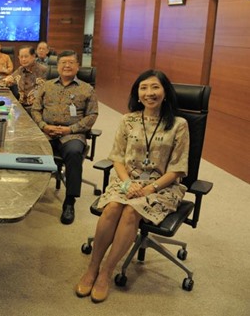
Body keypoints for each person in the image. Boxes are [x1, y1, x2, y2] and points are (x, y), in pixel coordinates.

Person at [75, 69, 189, 303]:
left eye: (155, 87)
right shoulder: (128, 120)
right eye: (143, 88)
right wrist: (127, 183)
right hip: (127, 180)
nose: (149, 93)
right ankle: (93, 267)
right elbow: (117, 158)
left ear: (165, 92)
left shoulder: (179, 124)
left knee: (130, 212)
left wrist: (150, 188)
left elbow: (177, 168)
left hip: (162, 187)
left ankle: (106, 273)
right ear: (137, 94)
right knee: (112, 208)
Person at [31, 50, 98, 225]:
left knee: (74, 153)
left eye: (71, 62)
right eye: (63, 63)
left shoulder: (87, 89)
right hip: (47, 133)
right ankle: (29, 193)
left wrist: (70, 129)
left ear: (78, 66)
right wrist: (44, 126)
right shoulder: (46, 86)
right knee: (28, 149)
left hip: (72, 135)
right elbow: (35, 109)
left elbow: (92, 115)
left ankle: (69, 202)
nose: (67, 66)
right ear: (57, 66)